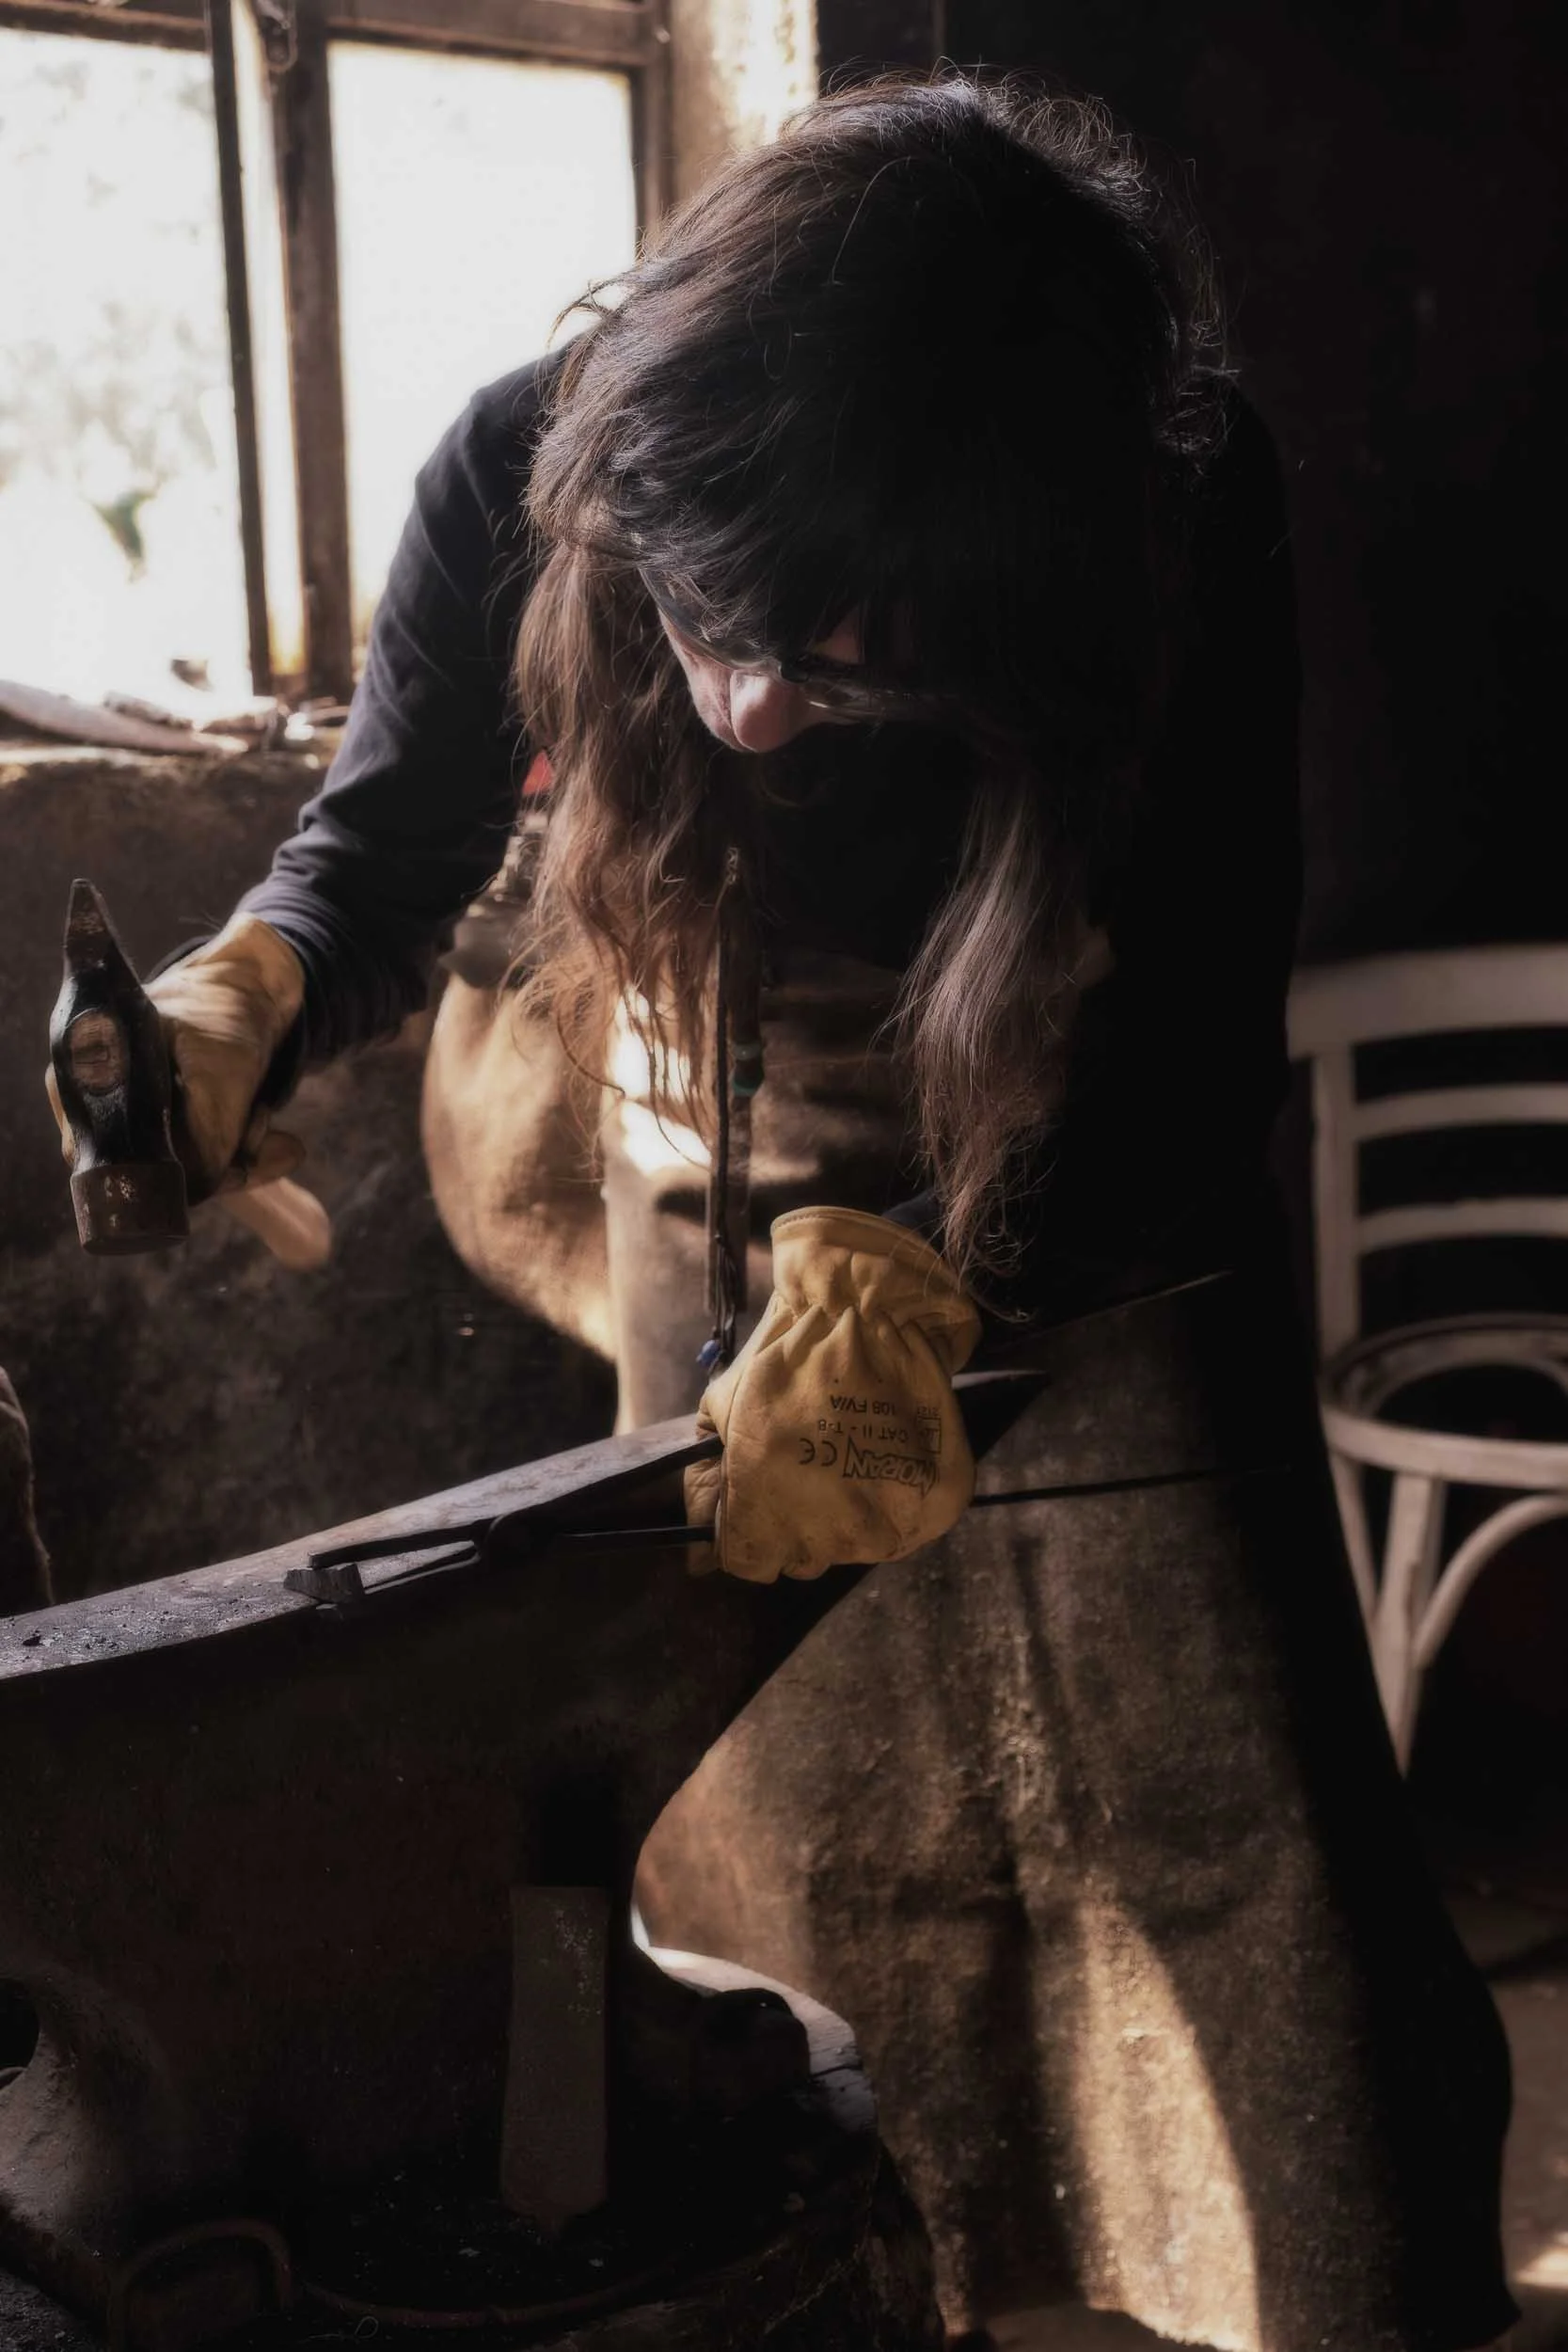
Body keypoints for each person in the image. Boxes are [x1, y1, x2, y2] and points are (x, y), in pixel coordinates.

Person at [51, 72, 1514, 2351]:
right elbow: (391, 826)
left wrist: (951, 1267)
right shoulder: (541, 455)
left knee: (1251, 1928)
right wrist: (255, 985)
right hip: (712, 1208)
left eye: (837, 666)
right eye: (708, 621)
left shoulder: (1163, 515)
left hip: (1085, 1239)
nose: (737, 706)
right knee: (797, 1916)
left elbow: (1197, 1029)